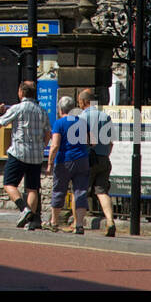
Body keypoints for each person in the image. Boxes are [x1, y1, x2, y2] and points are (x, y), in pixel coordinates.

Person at [0, 80, 48, 230]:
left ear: (21, 93)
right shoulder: (42, 111)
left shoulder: (18, 108)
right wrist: (42, 146)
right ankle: (30, 221)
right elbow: (48, 133)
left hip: (19, 152)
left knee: (9, 184)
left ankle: (24, 209)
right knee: (32, 188)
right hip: (36, 155)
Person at [45, 94, 90, 233]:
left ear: (60, 109)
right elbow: (91, 141)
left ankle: (53, 222)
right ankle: (79, 224)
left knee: (59, 190)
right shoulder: (82, 122)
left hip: (64, 160)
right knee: (80, 191)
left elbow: (55, 145)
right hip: (82, 159)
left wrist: (49, 163)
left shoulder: (59, 123)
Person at [77, 88, 116, 237]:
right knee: (102, 191)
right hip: (104, 158)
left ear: (84, 102)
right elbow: (111, 142)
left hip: (87, 158)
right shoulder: (105, 117)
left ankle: (77, 223)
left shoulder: (81, 118)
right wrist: (105, 154)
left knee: (80, 190)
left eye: (80, 101)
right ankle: (110, 221)